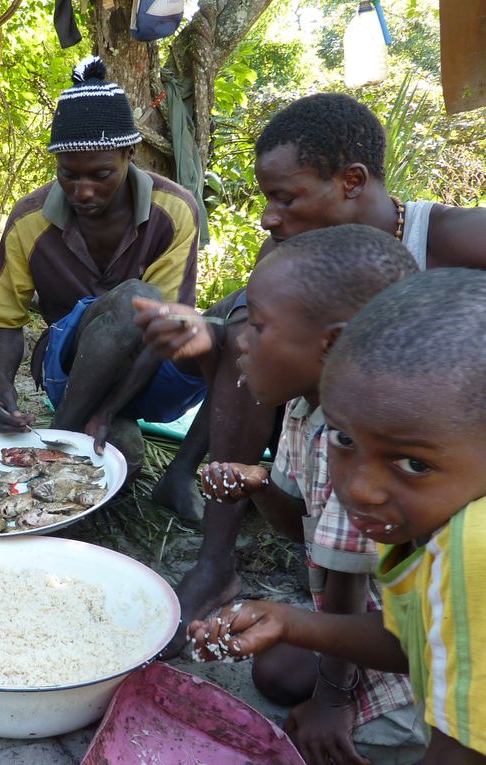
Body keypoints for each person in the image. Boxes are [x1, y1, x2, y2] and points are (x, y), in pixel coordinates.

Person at [134, 92, 486, 656]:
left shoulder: (457, 240)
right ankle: (215, 561)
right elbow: (259, 357)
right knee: (242, 333)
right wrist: (206, 340)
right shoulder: (287, 251)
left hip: (443, 463)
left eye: (284, 197)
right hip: (333, 434)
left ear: (350, 180)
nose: (269, 216)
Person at [189, 267, 486, 765]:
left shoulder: (471, 548)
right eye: (345, 440)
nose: (359, 489)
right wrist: (286, 622)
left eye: (414, 463)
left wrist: (331, 697)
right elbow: (410, 637)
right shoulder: (410, 507)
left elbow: (460, 751)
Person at [0, 56, 203, 480]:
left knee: (199, 319)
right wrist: (3, 388)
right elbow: (7, 321)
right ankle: (76, 430)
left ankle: (64, 433)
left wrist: (107, 410)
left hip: (148, 374)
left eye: (101, 175)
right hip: (67, 369)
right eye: (68, 175)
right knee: (124, 459)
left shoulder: (175, 210)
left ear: (129, 154)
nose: (83, 191)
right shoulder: (30, 219)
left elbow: (161, 332)